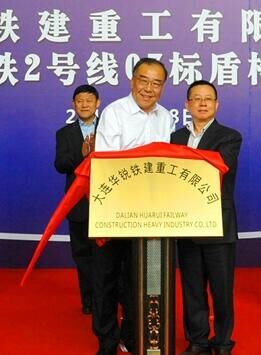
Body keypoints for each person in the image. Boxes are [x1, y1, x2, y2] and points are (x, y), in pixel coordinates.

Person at [93, 57, 174, 355]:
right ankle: (106, 340)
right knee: (107, 277)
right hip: (116, 207)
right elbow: (106, 163)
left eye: (156, 83)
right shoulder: (114, 113)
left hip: (150, 212)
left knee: (138, 277)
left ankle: (131, 335)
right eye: (144, 80)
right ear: (132, 80)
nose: (149, 88)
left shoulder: (165, 117)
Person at [171, 80, 242, 355]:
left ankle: (223, 341)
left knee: (221, 289)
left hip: (217, 223)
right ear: (187, 104)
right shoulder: (175, 137)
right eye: (196, 99)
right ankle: (197, 341)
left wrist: (183, 162)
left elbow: (220, 166)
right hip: (186, 222)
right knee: (192, 288)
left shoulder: (230, 136)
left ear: (216, 104)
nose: (202, 103)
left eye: (208, 99)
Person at [54, 84, 100, 315]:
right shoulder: (64, 133)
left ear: (97, 103)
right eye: (80, 101)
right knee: (82, 255)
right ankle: (89, 300)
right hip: (78, 203)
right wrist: (80, 157)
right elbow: (60, 165)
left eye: (89, 100)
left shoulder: (110, 128)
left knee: (107, 256)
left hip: (106, 202)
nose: (84, 105)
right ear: (73, 104)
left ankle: (109, 298)